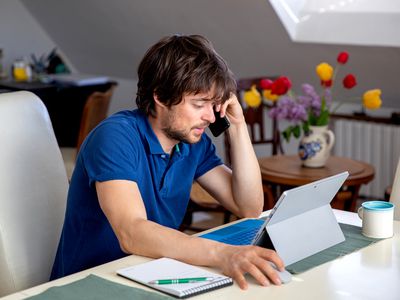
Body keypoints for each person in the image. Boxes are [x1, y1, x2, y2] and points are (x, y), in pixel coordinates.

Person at [51, 34, 284, 289]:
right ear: (160, 97)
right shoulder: (115, 137)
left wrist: (237, 126)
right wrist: (221, 254)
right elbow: (131, 232)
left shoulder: (192, 144)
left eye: (213, 105)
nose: (209, 116)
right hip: (88, 284)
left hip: (149, 276)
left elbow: (248, 207)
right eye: (198, 104)